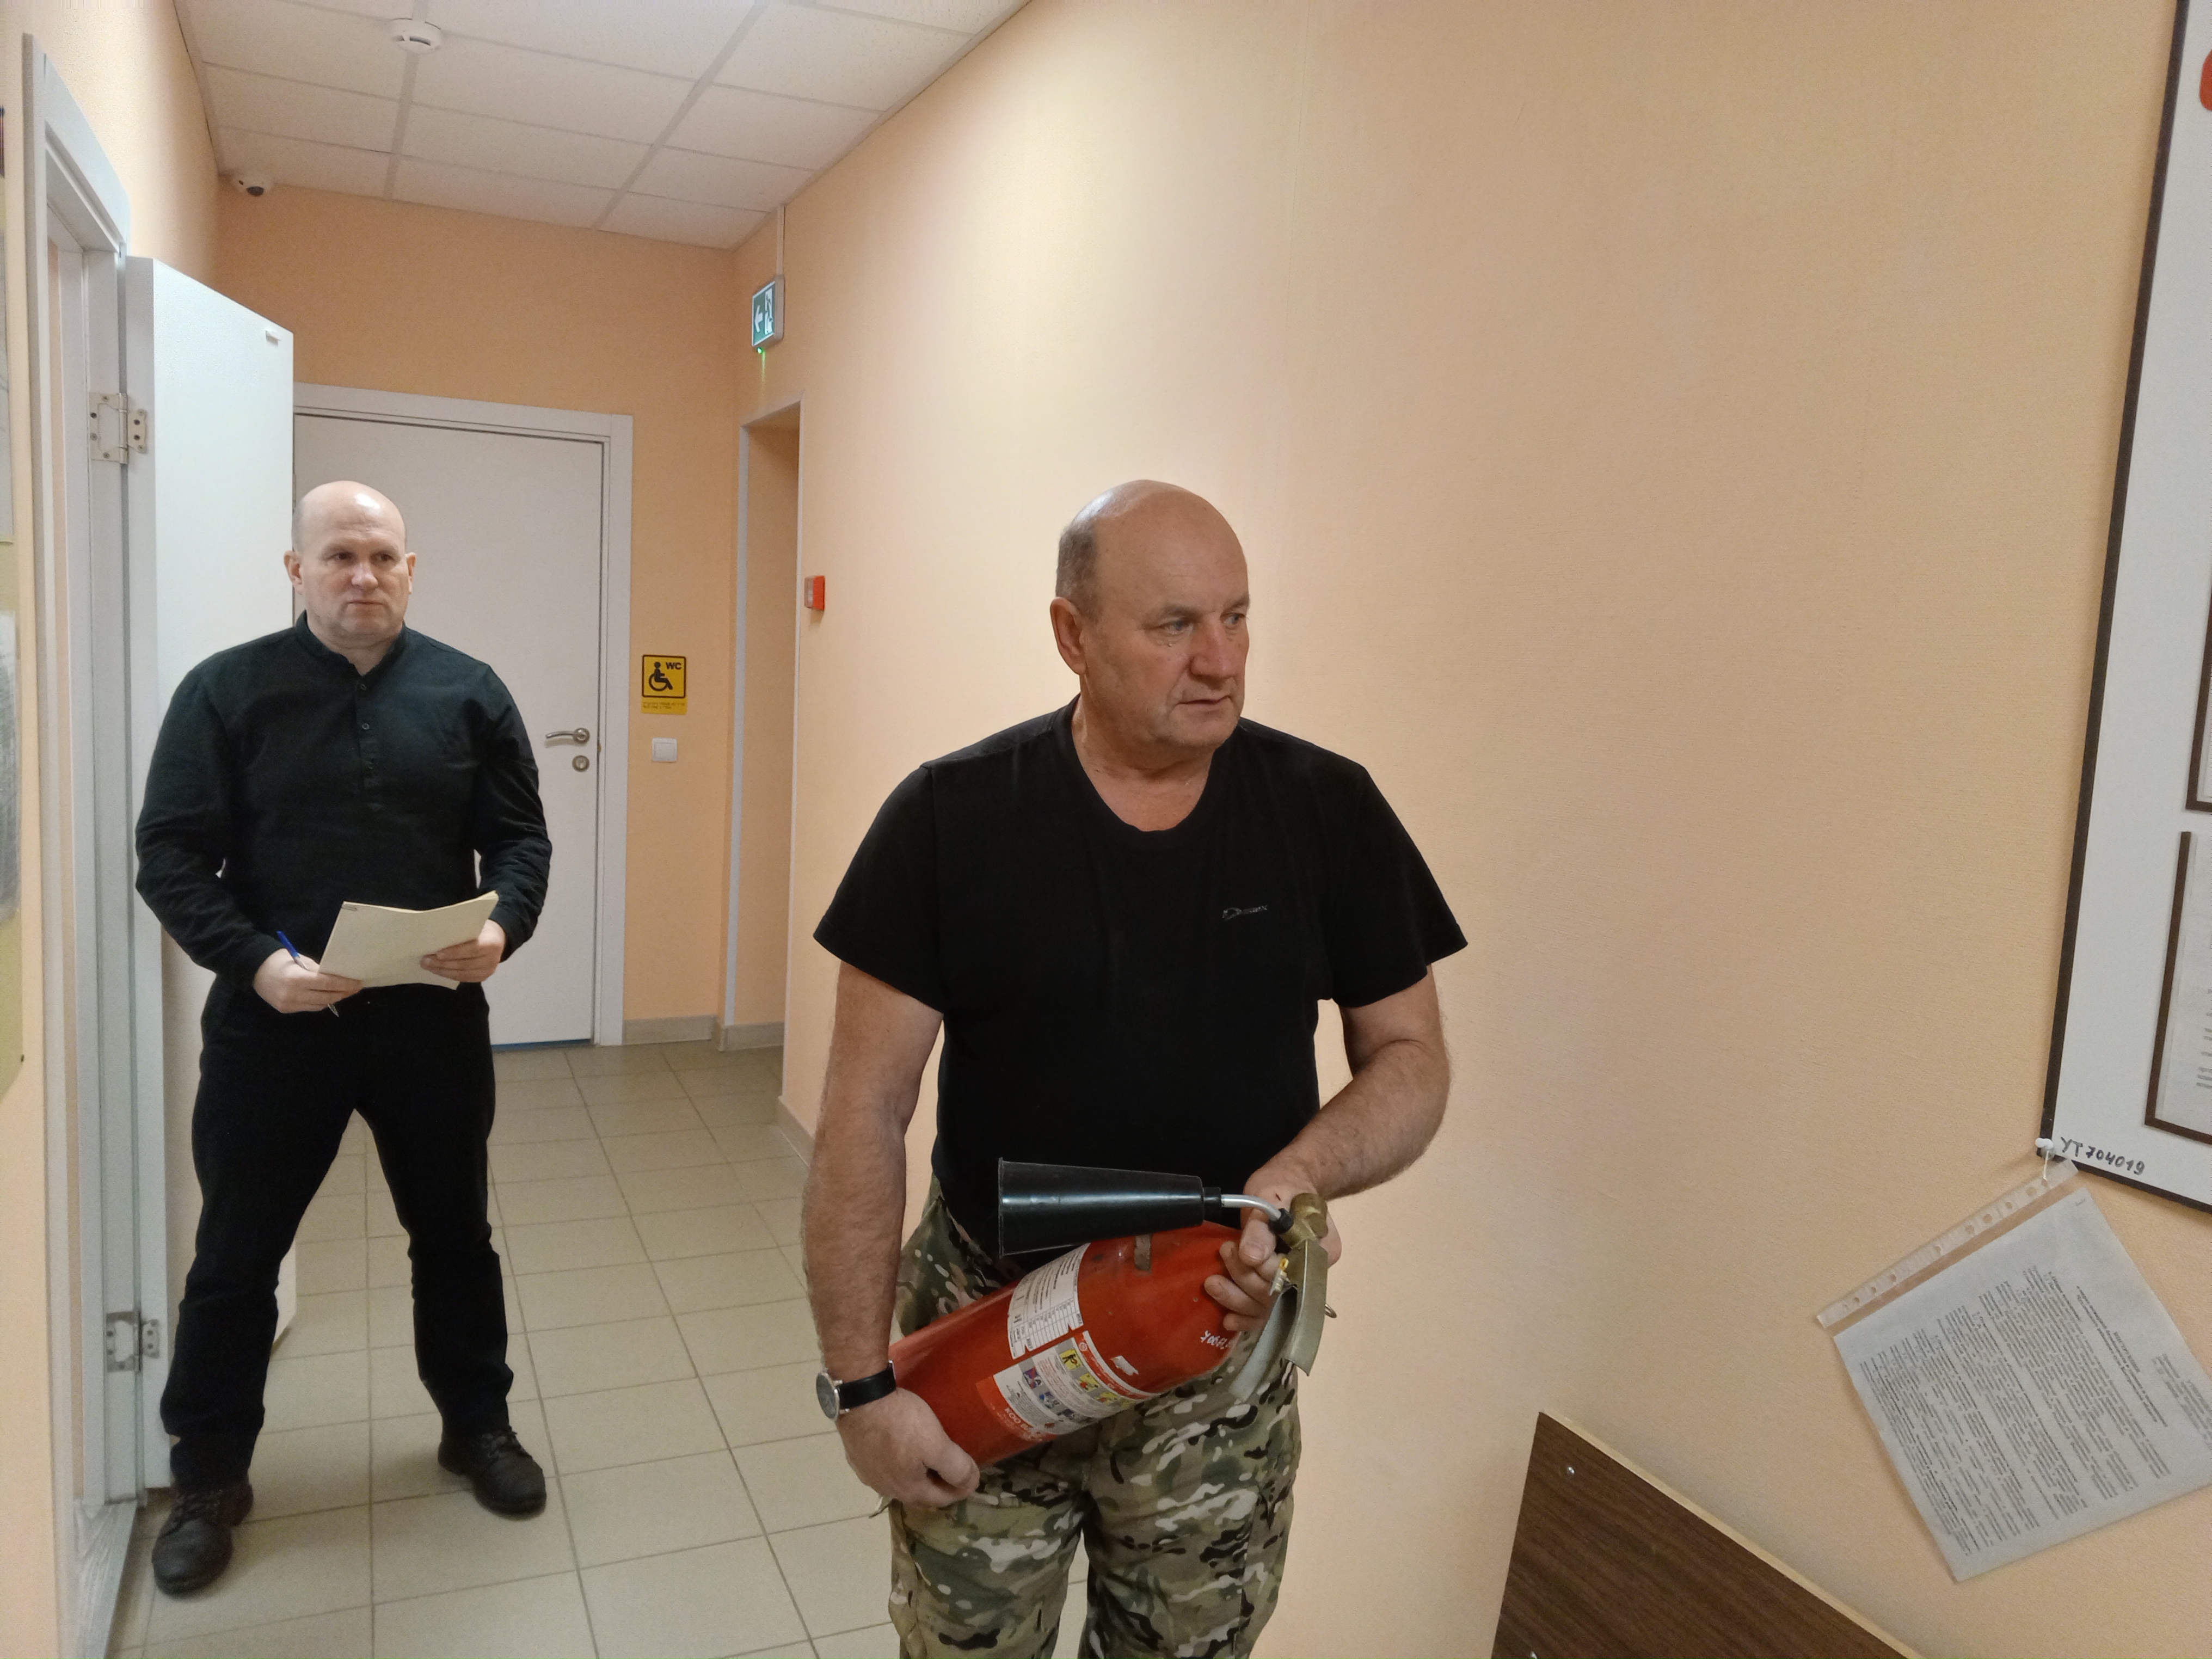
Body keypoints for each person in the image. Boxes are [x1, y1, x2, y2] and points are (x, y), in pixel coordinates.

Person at [804, 480, 1463, 1657]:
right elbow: (865, 1109)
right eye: (1175, 626)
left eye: (1238, 617)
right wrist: (861, 1391)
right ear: (1073, 635)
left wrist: (1298, 1175)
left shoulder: (1326, 809)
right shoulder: (951, 820)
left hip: (1215, 1349)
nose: (1221, 660)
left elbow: (1411, 1057)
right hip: (991, 1332)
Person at [135, 481, 553, 1595]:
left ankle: (477, 1427)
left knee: (455, 1237)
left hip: (431, 1022)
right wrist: (257, 963)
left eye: (381, 556)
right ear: (297, 570)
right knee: (236, 1258)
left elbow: (521, 840)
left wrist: (502, 929)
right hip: (276, 1025)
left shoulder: (470, 692)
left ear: (410, 569)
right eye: (338, 556)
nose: (362, 575)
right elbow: (169, 855)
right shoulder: (225, 693)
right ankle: (209, 1478)